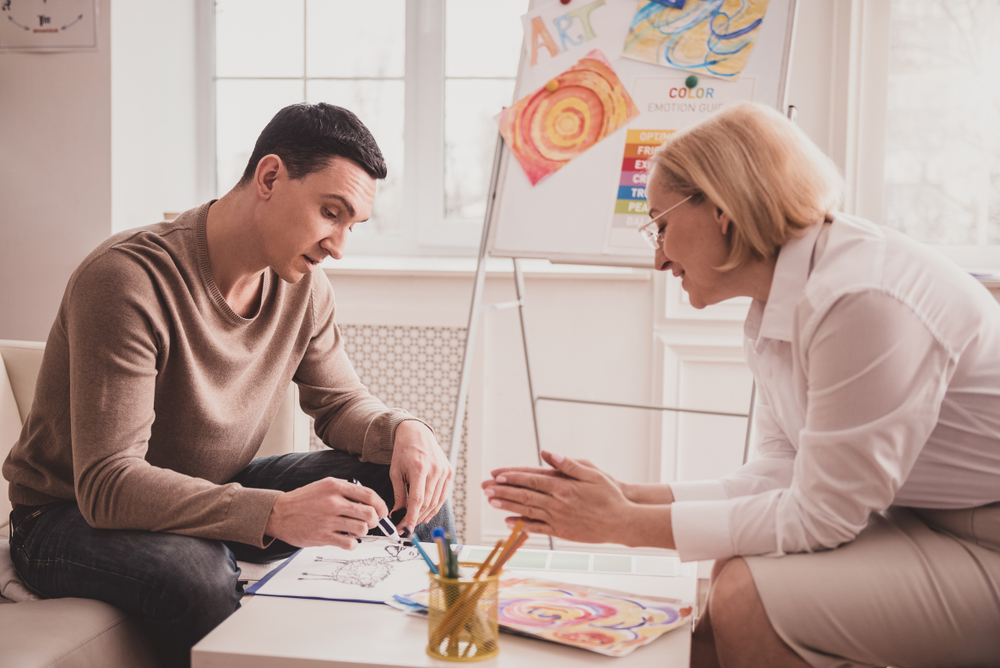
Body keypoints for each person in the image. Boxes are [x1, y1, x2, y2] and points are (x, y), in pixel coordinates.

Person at [481, 101, 1000, 668]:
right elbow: (783, 472)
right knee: (737, 568)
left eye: (660, 226)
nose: (658, 258)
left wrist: (623, 523)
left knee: (746, 594)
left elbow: (822, 515)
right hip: (928, 518)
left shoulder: (859, 300)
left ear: (721, 210)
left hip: (984, 534)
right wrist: (628, 495)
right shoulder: (779, 301)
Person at [3, 102, 454, 667]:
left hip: (215, 482)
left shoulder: (304, 287)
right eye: (330, 213)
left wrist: (405, 429)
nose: (339, 245)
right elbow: (107, 483)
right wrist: (272, 513)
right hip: (66, 518)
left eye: (352, 225)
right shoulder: (127, 280)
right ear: (269, 177)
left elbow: (339, 404)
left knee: (409, 484)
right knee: (196, 571)